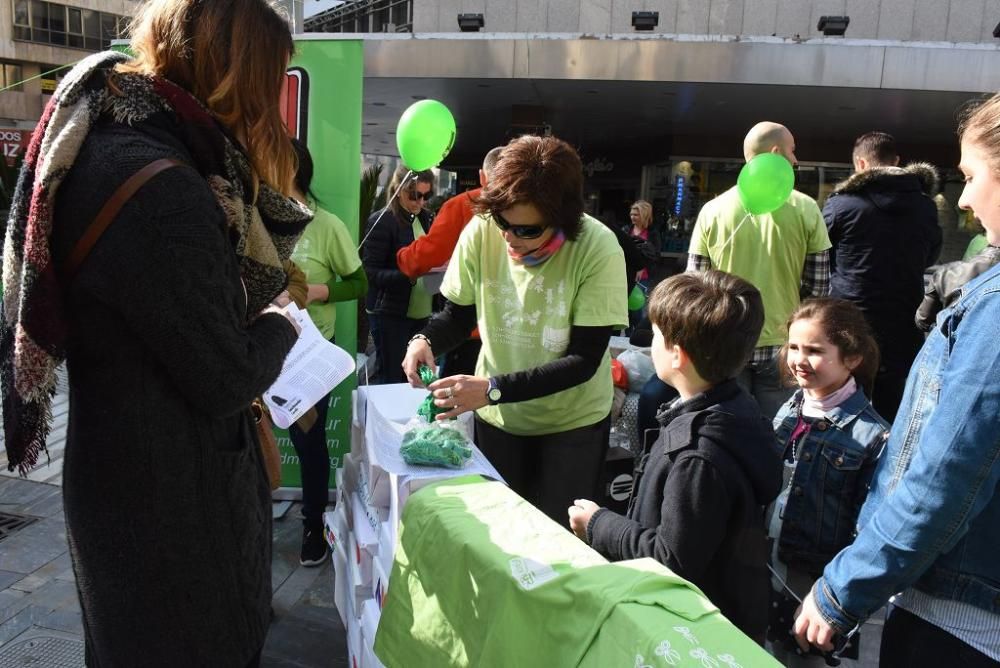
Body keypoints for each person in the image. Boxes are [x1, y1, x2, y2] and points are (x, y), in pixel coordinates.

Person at [0, 1, 309, 665]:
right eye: (270, 81)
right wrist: (282, 323)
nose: (273, 110)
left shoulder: (107, 138)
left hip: (120, 479)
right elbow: (224, 375)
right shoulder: (163, 188)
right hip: (174, 510)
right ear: (235, 76)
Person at [793, 93, 1000, 667]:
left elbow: (948, 470)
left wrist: (846, 586)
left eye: (972, 175)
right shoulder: (923, 217)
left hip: (961, 615)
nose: (964, 200)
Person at [401, 135, 628, 523]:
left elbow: (584, 359)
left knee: (559, 543)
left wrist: (490, 389)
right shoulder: (481, 229)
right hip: (499, 420)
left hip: (572, 424)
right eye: (504, 223)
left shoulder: (597, 247)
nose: (510, 237)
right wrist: (424, 340)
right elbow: (457, 316)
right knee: (502, 533)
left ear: (563, 217)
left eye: (527, 230)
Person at [568, 270, 781, 642]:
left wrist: (598, 524)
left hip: (693, 629)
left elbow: (673, 558)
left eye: (656, 336)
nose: (652, 342)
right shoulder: (733, 408)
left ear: (677, 355)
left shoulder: (697, 456)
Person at [766, 299, 889, 665]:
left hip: (814, 579)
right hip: (769, 562)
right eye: (794, 347)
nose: (799, 359)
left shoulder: (873, 437)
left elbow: (868, 528)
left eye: (815, 351)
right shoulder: (791, 407)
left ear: (851, 358)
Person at [688, 121, 831, 420]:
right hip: (782, 345)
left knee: (726, 429)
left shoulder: (711, 211)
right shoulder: (806, 208)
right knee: (778, 435)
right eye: (792, 151)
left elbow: (694, 287)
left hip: (725, 341)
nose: (795, 159)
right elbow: (818, 289)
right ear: (776, 152)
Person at [822, 131, 941, 422]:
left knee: (844, 399)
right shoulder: (925, 206)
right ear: (897, 161)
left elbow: (820, 256)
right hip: (904, 316)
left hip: (850, 317)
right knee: (893, 405)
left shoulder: (841, 205)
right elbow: (931, 255)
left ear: (861, 164)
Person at [288, 138, 367, 566]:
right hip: (258, 348)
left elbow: (358, 284)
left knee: (308, 441)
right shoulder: (254, 221)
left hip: (310, 355)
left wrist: (318, 291)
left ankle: (313, 526)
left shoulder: (325, 225)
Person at [395, 146, 503, 376]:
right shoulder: (543, 213)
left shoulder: (464, 206)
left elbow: (426, 255)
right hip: (513, 337)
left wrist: (404, 256)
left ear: (482, 177)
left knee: (455, 405)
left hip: (470, 330)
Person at [362, 164, 435, 384]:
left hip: (423, 313)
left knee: (421, 378)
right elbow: (370, 273)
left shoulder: (427, 218)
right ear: (398, 189)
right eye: (414, 196)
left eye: (426, 195)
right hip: (390, 316)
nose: (420, 202)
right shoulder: (382, 221)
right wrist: (407, 276)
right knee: (393, 378)